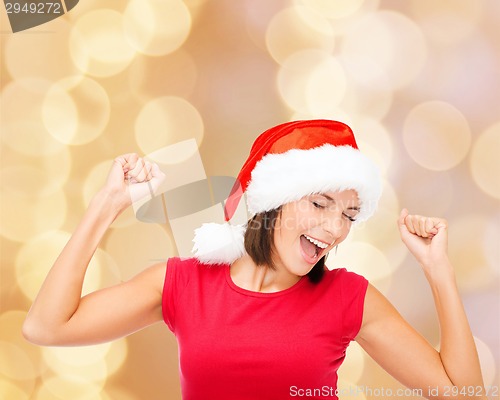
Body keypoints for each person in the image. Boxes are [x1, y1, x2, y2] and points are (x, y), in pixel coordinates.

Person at [23, 120, 486, 400]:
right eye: (319, 204)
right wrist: (108, 204)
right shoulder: (185, 284)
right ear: (272, 202)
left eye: (347, 214)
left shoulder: (347, 298)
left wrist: (437, 268)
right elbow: (45, 327)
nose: (334, 229)